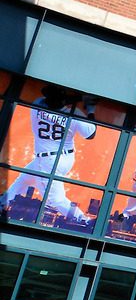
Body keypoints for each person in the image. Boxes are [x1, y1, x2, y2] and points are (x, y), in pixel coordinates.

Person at [4, 86, 98, 224]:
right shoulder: (73, 113)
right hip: (64, 157)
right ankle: (3, 202)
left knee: (55, 199)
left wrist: (77, 99)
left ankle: (84, 220)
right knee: (23, 179)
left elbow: (53, 101)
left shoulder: (37, 105)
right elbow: (91, 134)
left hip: (48, 160)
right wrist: (90, 110)